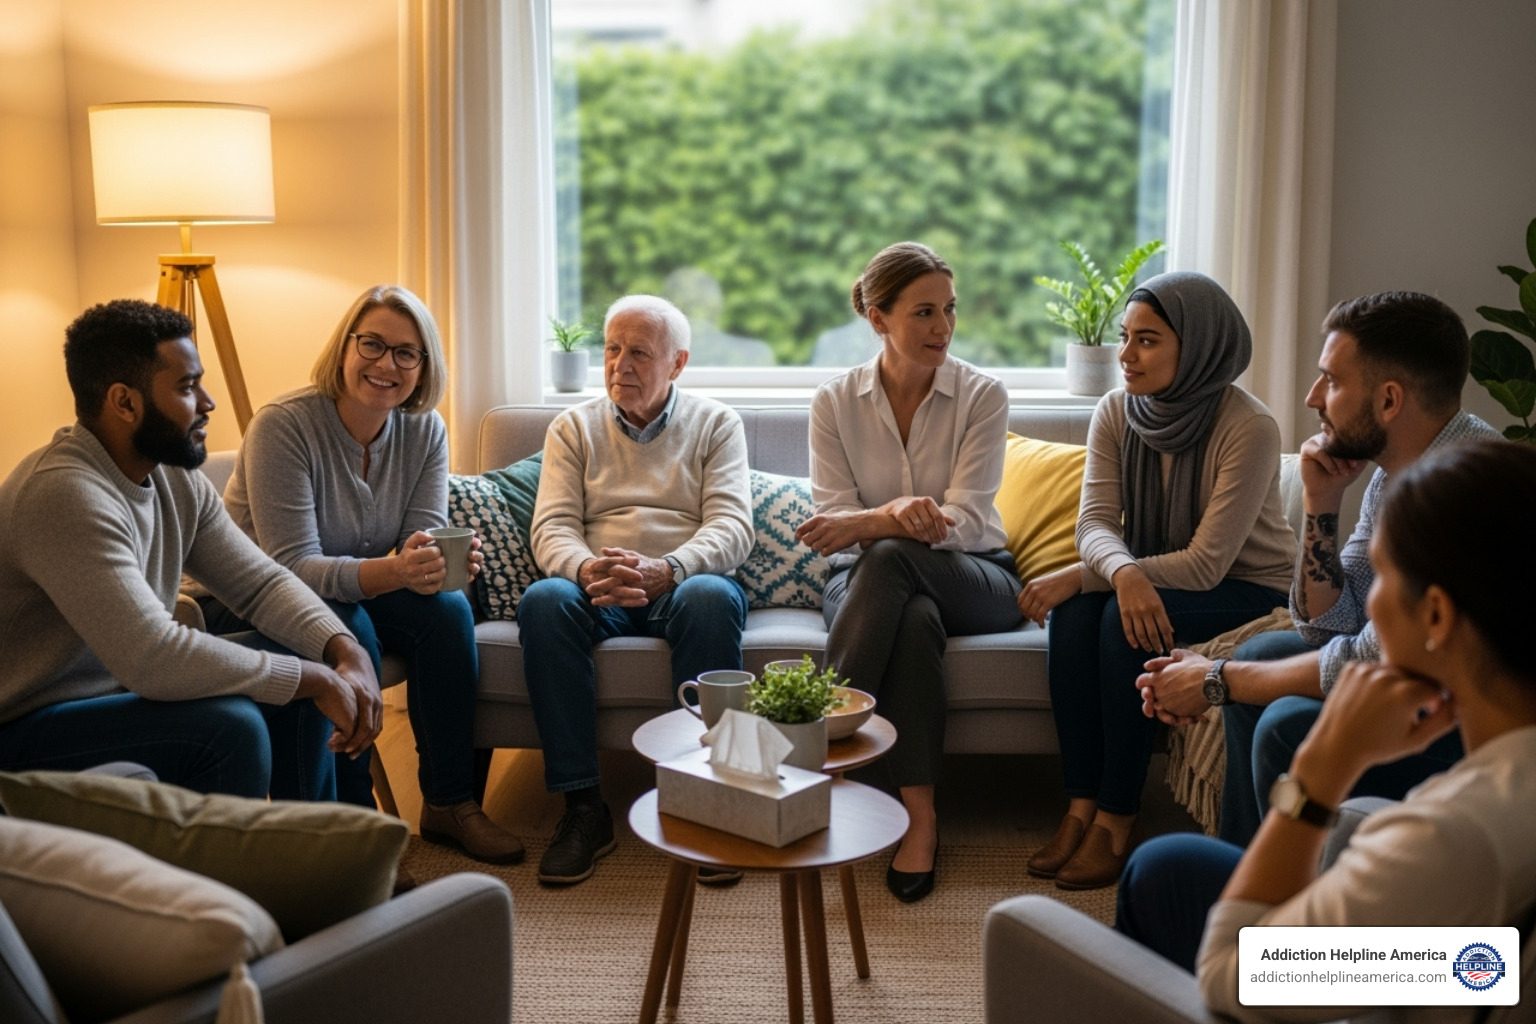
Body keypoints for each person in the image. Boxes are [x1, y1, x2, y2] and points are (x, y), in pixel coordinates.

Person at [1116, 439, 1536, 1024]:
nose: (1370, 609)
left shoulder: (1452, 837)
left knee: (1156, 877)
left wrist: (1318, 774)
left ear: (1436, 616)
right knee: (1165, 869)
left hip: (1462, 966)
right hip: (1475, 970)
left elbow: (1229, 973)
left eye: (1382, 577)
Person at [1137, 291, 1500, 846]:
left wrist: (1215, 679)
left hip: (1476, 731)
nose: (1312, 398)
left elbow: (1367, 654)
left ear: (1389, 400)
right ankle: (1242, 869)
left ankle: (1288, 908)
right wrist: (1321, 503)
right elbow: (1329, 624)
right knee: (1261, 654)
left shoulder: (1462, 493)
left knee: (1284, 726)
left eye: (1331, 380)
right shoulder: (1395, 471)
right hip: (1420, 688)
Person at [0, 299, 380, 799]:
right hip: (28, 723)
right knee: (232, 725)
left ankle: (316, 856)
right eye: (186, 386)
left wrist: (342, 650)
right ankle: (231, 875)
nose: (208, 402)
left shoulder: (172, 476)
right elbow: (152, 655)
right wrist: (312, 678)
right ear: (125, 402)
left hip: (117, 692)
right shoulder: (65, 494)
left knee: (306, 652)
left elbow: (261, 584)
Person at [220, 285, 522, 863]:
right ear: (344, 347)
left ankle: (449, 802)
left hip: (345, 589)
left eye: (407, 353)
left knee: (450, 610)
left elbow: (421, 536)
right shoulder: (283, 426)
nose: (387, 364)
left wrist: (434, 565)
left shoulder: (425, 430)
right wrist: (399, 569)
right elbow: (291, 568)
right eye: (373, 345)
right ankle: (361, 831)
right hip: (256, 595)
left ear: (423, 367)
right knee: (349, 621)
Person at [1020, 272, 1296, 891]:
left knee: (1121, 621)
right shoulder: (1116, 410)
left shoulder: (1249, 427)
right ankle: (1080, 807)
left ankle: (1118, 818)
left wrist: (1088, 577)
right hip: (1153, 577)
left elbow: (1206, 564)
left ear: (1195, 347)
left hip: (1249, 588)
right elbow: (1093, 522)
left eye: (1146, 341)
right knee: (1075, 616)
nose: (1125, 355)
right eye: (1125, 337)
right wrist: (1114, 573)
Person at [795, 241, 1023, 903]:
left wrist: (876, 520)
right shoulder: (834, 401)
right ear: (877, 318)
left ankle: (817, 764)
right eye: (924, 312)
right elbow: (829, 528)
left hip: (977, 577)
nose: (943, 328)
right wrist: (884, 523)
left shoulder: (982, 394)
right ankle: (921, 819)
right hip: (866, 583)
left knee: (895, 557)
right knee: (910, 613)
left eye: (950, 310)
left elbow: (969, 522)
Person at [518, 294, 753, 886]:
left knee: (711, 596)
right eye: (612, 349)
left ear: (677, 363)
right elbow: (553, 525)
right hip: (600, 587)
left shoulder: (716, 423)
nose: (620, 364)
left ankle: (708, 803)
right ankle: (583, 809)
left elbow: (732, 525)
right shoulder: (571, 427)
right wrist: (583, 570)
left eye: (639, 353)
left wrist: (668, 569)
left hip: (679, 583)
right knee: (544, 601)